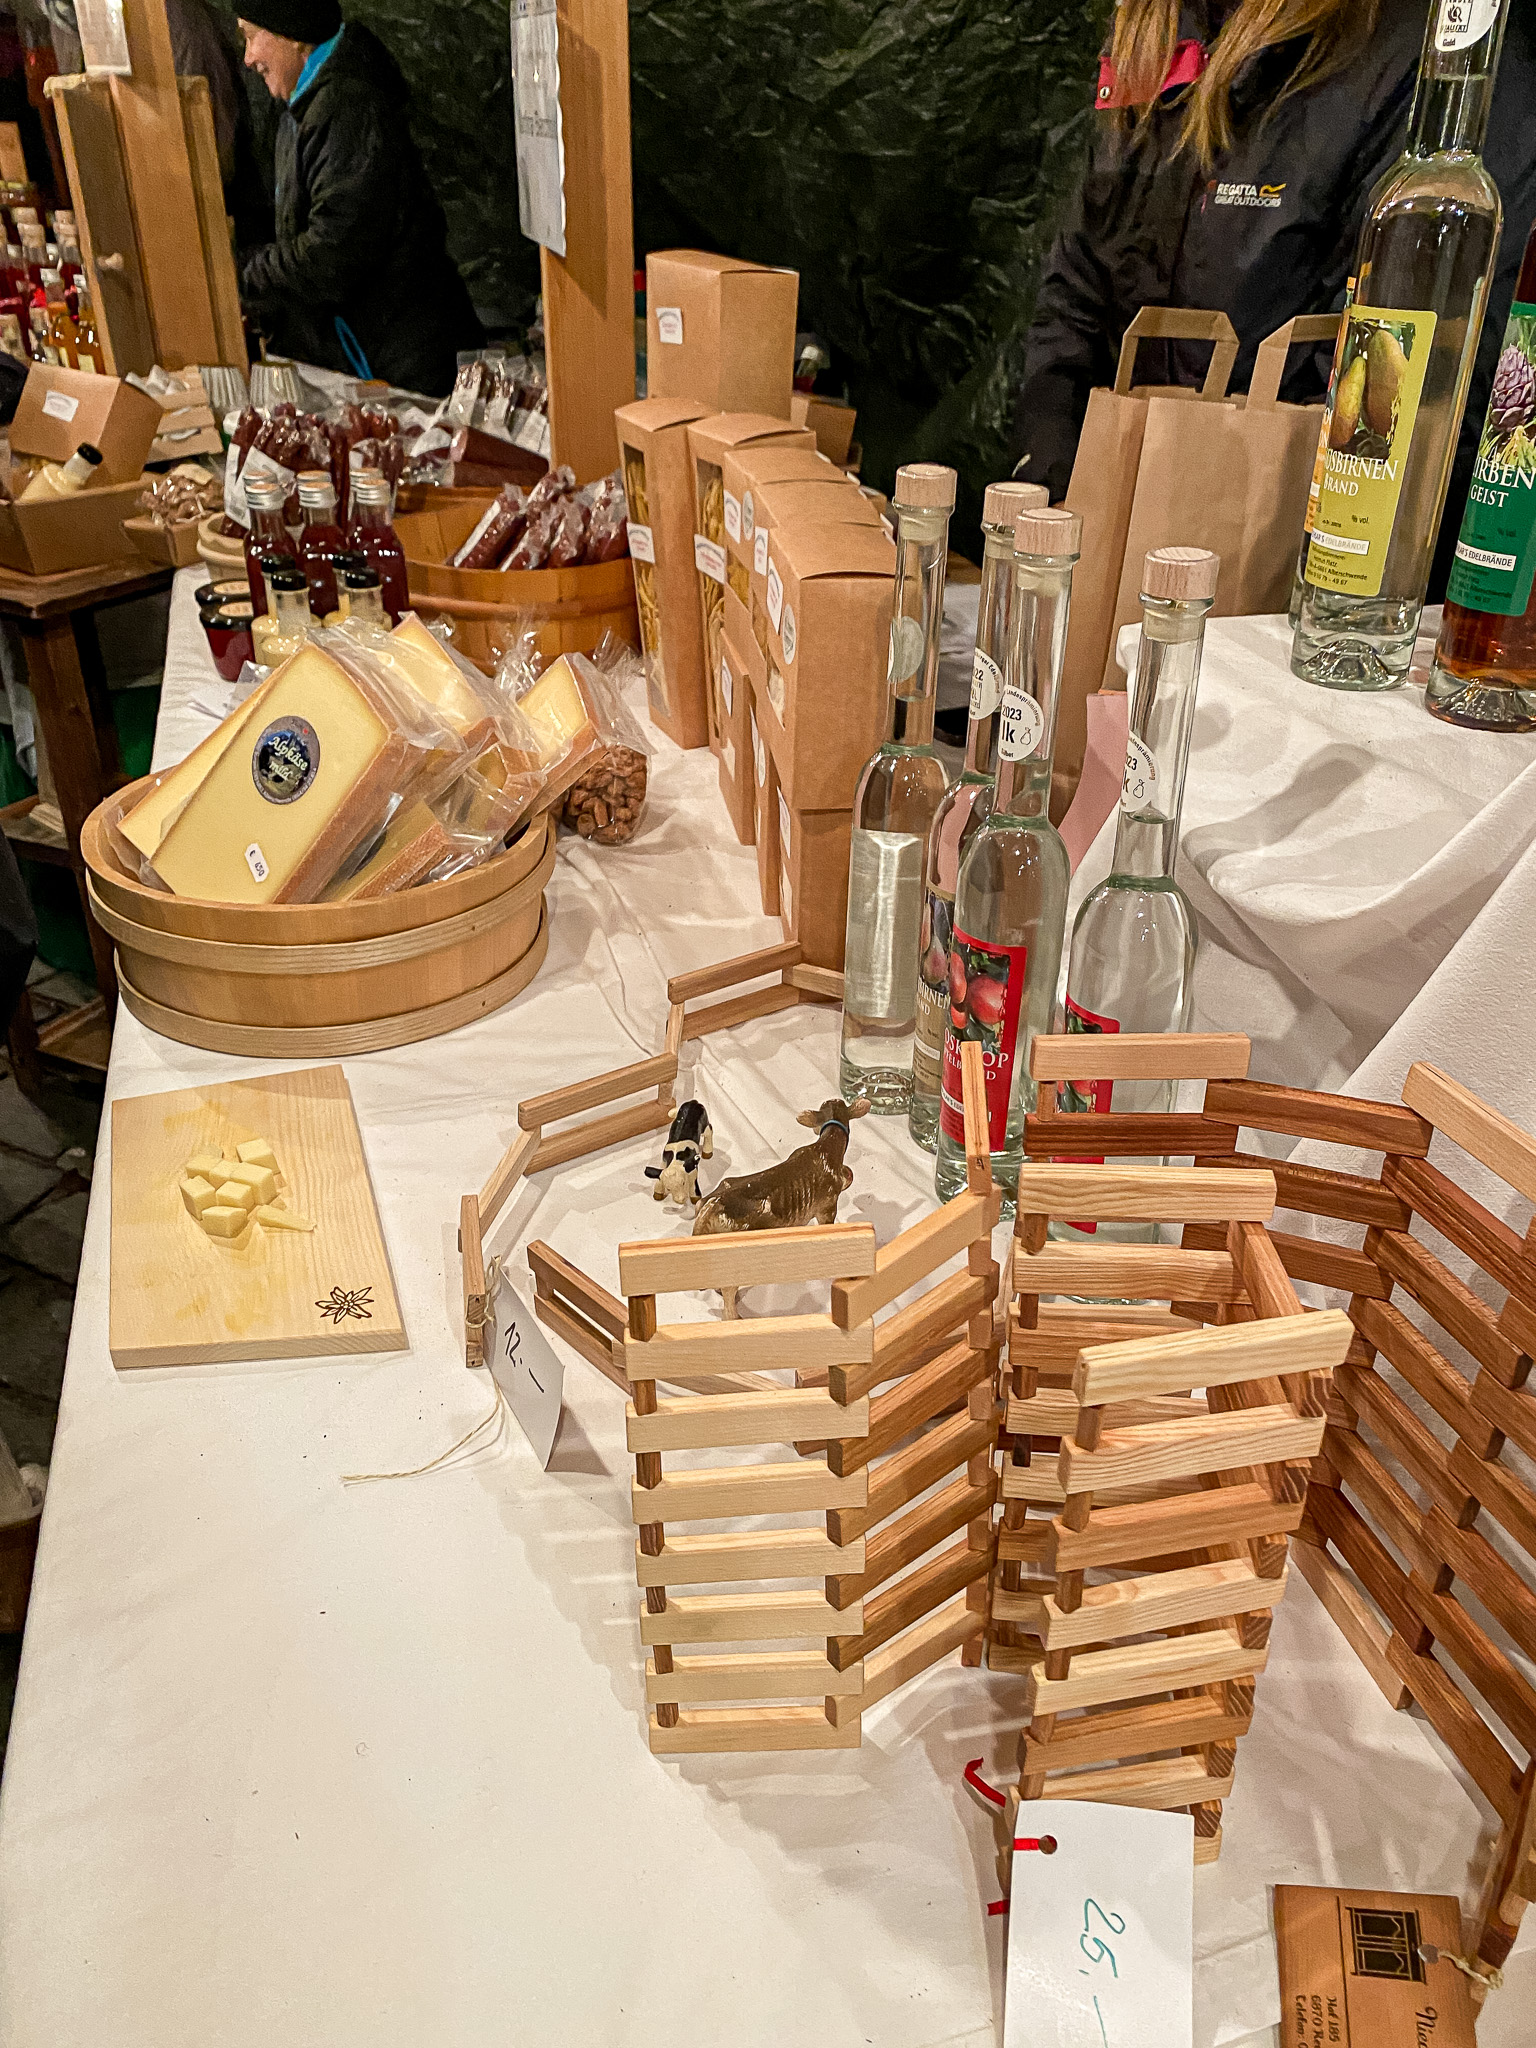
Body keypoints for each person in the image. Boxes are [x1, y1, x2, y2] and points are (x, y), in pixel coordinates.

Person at [1011, 0, 1536, 598]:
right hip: (1121, 543)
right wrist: (1055, 495)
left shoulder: (1415, 45)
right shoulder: (1161, 23)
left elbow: (1401, 370)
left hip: (1283, 574)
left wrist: (1224, 529)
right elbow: (1077, 291)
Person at [235, 0, 480, 396]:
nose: (248, 58)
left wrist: (243, 274)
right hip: (367, 356)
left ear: (291, 35)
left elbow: (333, 254)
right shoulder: (304, 107)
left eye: (251, 36)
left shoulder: (349, 106)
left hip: (402, 365)